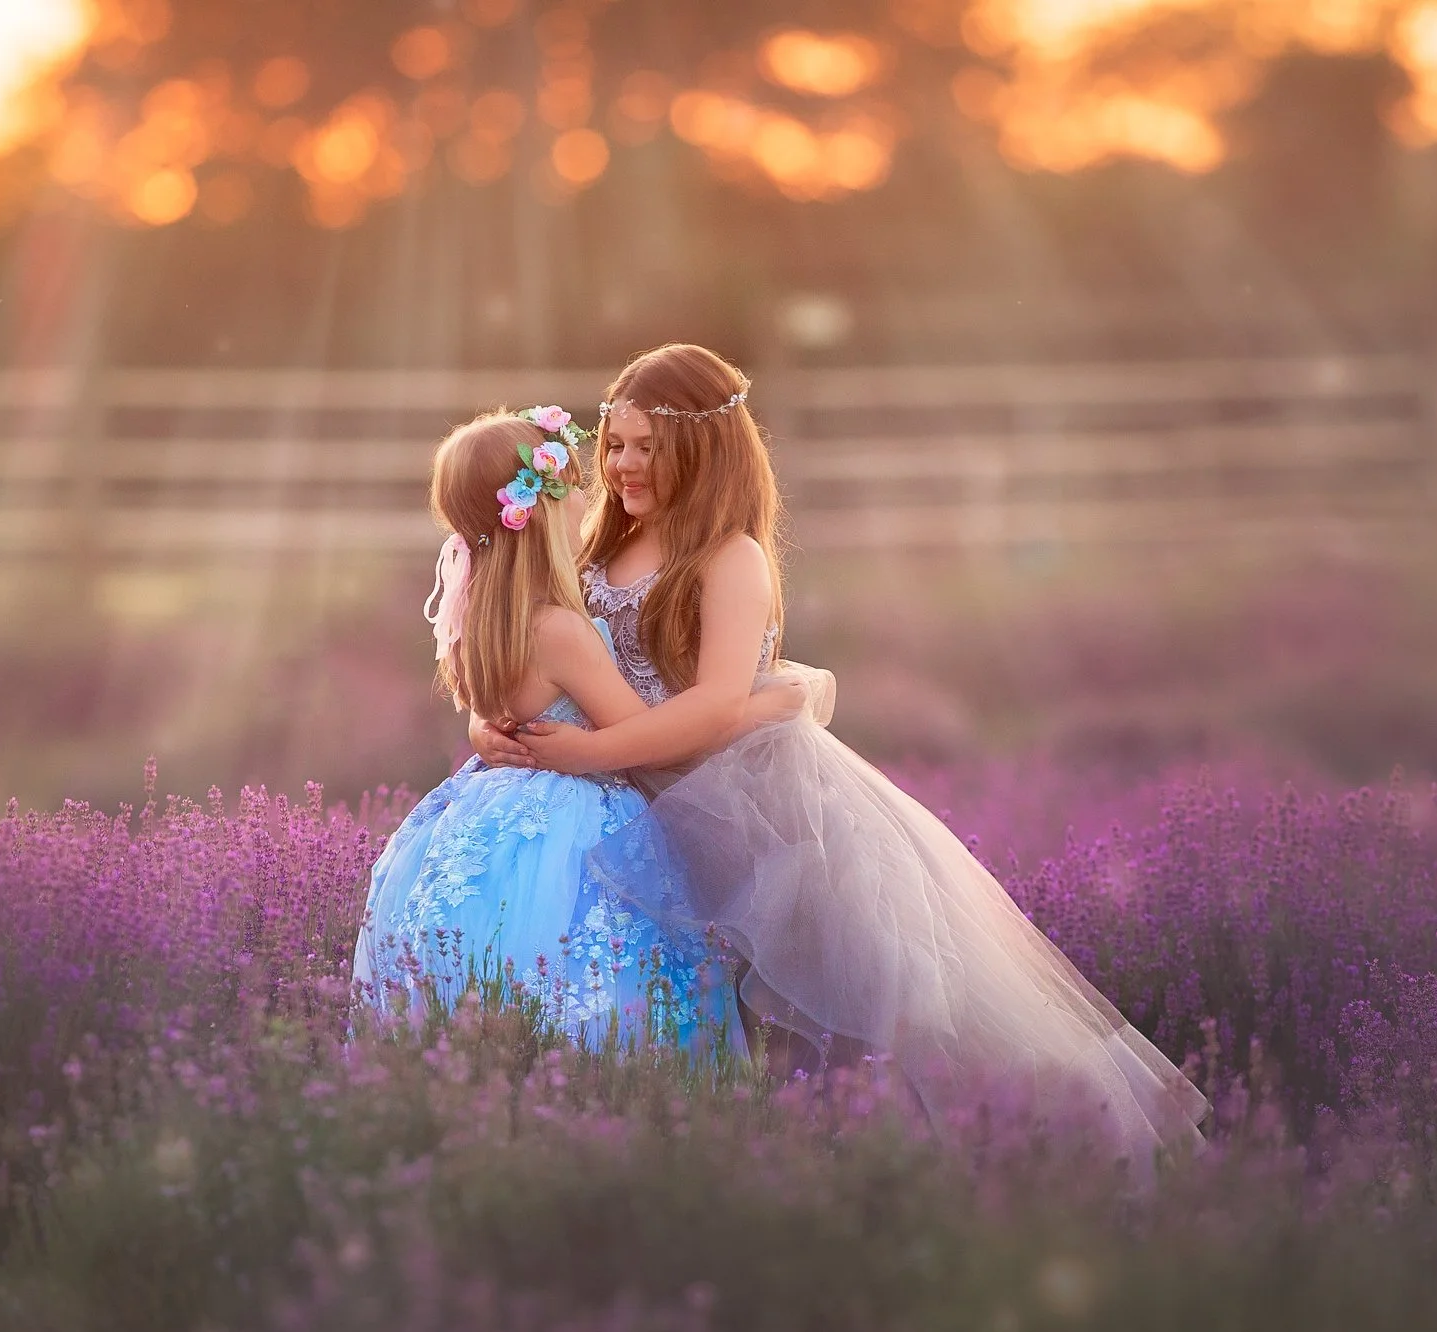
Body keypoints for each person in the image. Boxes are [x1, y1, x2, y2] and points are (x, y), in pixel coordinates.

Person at [478, 344, 1209, 1176]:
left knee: (837, 1004)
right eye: (616, 443)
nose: (626, 463)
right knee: (683, 1001)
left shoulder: (729, 558)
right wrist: (496, 728)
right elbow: (544, 650)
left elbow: (716, 706)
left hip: (742, 799)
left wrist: (591, 751)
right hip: (640, 797)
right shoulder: (600, 545)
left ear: (706, 451)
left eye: (650, 445)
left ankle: (985, 1160)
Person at [353, 405, 744, 1053]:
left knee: (486, 968)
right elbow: (638, 731)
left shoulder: (473, 619)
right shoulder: (562, 632)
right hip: (575, 819)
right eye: (576, 483)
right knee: (597, 983)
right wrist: (739, 704)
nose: (592, 494)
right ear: (542, 505)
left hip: (481, 812)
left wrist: (480, 730)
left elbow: (485, 709)